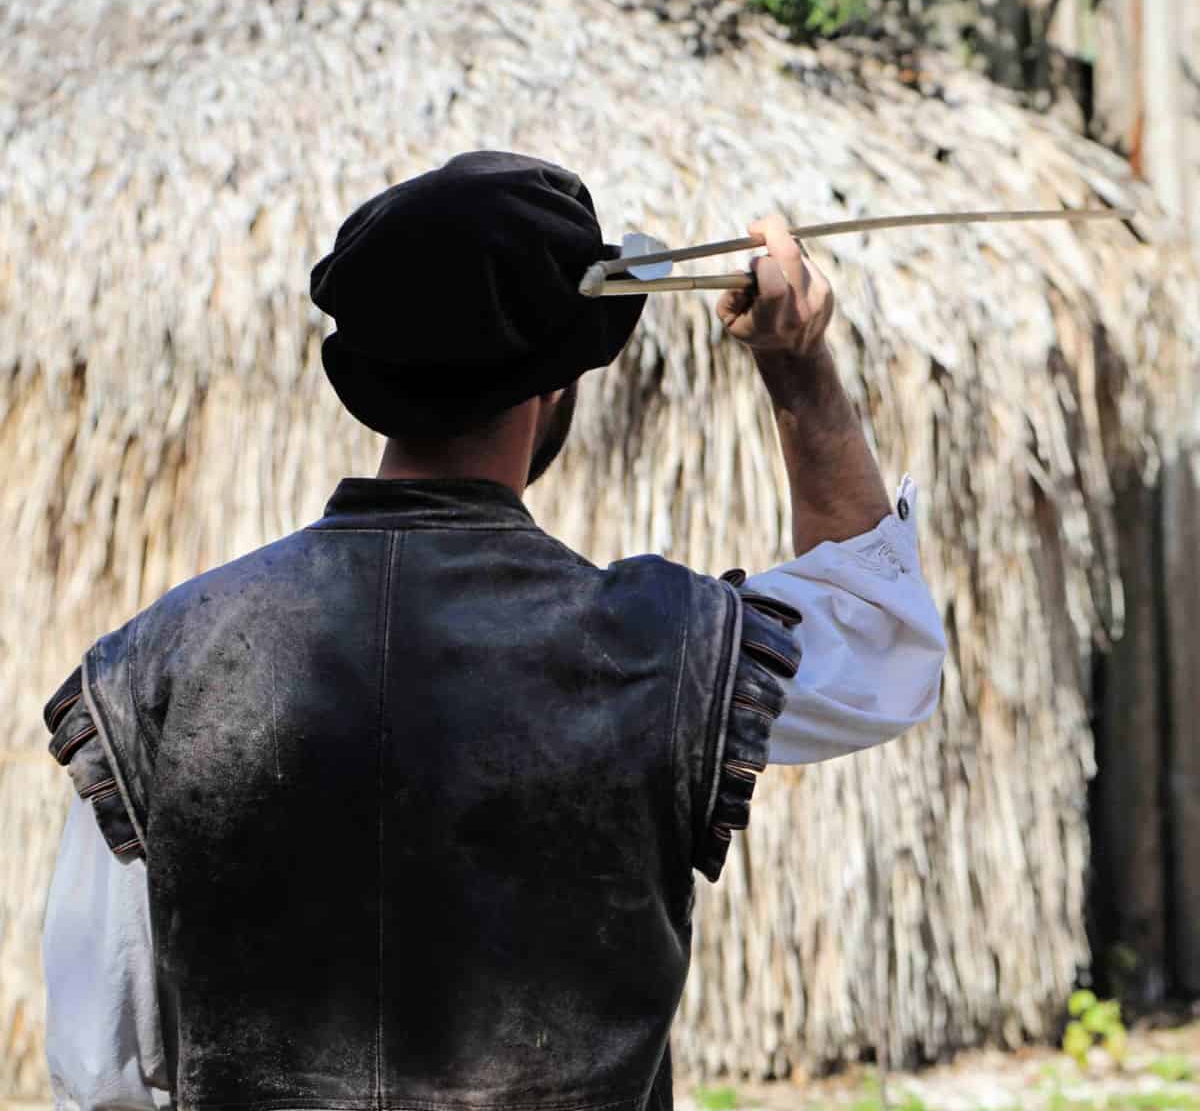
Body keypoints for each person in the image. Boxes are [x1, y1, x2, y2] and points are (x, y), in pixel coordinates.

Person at [41, 152, 945, 1111]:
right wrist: (798, 370)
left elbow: (101, 1072)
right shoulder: (657, 647)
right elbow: (880, 637)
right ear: (555, 385)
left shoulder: (159, 666)